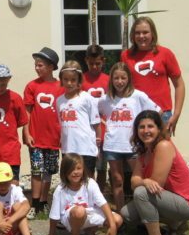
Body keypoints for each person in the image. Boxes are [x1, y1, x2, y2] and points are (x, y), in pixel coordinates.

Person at [120, 110, 189, 235]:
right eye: (141, 127)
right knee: (127, 214)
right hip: (166, 198)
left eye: (150, 126)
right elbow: (134, 182)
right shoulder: (144, 151)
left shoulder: (164, 146)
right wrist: (144, 180)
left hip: (187, 202)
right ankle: (174, 224)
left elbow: (156, 185)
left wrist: (143, 183)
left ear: (159, 129)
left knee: (142, 194)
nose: (146, 131)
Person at [98, 62, 160, 211]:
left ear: (129, 78)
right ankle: (121, 213)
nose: (120, 82)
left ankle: (142, 211)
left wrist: (146, 130)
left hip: (133, 146)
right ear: (111, 80)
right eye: (116, 78)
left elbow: (157, 111)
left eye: (123, 78)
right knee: (117, 180)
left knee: (138, 180)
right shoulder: (105, 99)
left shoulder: (138, 96)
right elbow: (95, 115)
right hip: (112, 146)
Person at [120, 16, 185, 135]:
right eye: (137, 33)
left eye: (145, 32)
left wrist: (176, 114)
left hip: (162, 113)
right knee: (138, 152)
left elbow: (179, 85)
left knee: (162, 150)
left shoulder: (165, 54)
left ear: (153, 34)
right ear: (133, 36)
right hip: (136, 113)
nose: (141, 36)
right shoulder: (126, 56)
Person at [45, 153, 122, 235]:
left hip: (88, 214)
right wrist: (51, 233)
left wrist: (112, 224)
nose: (76, 172)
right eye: (72, 169)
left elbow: (103, 203)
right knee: (79, 211)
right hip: (71, 218)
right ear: (64, 171)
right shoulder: (60, 189)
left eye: (78, 168)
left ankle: (90, 232)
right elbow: (54, 214)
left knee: (117, 219)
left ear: (83, 169)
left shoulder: (90, 183)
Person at [23, 47, 64, 220]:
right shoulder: (32, 86)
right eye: (36, 65)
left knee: (49, 171)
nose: (37, 68)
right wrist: (27, 133)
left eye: (40, 65)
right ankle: (34, 203)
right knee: (36, 170)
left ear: (51, 67)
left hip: (53, 138)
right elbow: (27, 113)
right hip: (36, 137)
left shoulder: (60, 87)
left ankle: (44, 201)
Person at [0, 64, 28, 185]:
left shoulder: (15, 98)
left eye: (3, 84)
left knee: (13, 183)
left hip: (11, 150)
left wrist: (27, 136)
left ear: (8, 80)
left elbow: (23, 121)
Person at [56, 60, 101, 178]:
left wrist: (98, 144)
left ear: (79, 80)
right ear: (61, 79)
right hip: (68, 149)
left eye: (73, 80)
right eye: (66, 79)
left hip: (86, 149)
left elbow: (96, 124)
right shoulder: (59, 101)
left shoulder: (87, 98)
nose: (69, 83)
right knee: (69, 179)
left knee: (87, 180)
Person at [82, 44, 109, 190]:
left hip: (105, 131)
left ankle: (102, 194)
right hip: (88, 131)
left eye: (97, 63)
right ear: (86, 60)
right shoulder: (81, 80)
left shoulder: (108, 80)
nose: (94, 67)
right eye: (91, 63)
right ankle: (89, 193)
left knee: (102, 166)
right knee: (90, 165)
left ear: (103, 61)